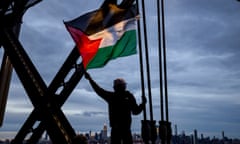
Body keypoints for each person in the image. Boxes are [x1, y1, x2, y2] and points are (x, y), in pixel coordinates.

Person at [84, 72, 146, 144]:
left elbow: (98, 90)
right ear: (124, 86)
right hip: (126, 129)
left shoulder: (112, 96)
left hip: (116, 129)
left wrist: (90, 79)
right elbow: (136, 111)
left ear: (114, 87)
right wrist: (143, 104)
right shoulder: (128, 96)